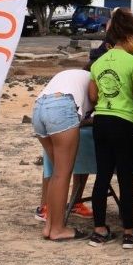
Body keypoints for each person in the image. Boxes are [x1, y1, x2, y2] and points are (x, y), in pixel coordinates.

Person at [86, 8, 133, 249]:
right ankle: (129, 231)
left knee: (102, 174)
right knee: (125, 177)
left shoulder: (98, 61)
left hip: (101, 120)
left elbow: (93, 95)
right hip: (125, 122)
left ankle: (99, 229)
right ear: (130, 35)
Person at [30, 69, 94, 241]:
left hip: (39, 108)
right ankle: (58, 229)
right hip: (62, 107)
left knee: (56, 173)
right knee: (62, 174)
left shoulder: (71, 75)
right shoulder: (93, 77)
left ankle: (50, 226)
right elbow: (94, 101)